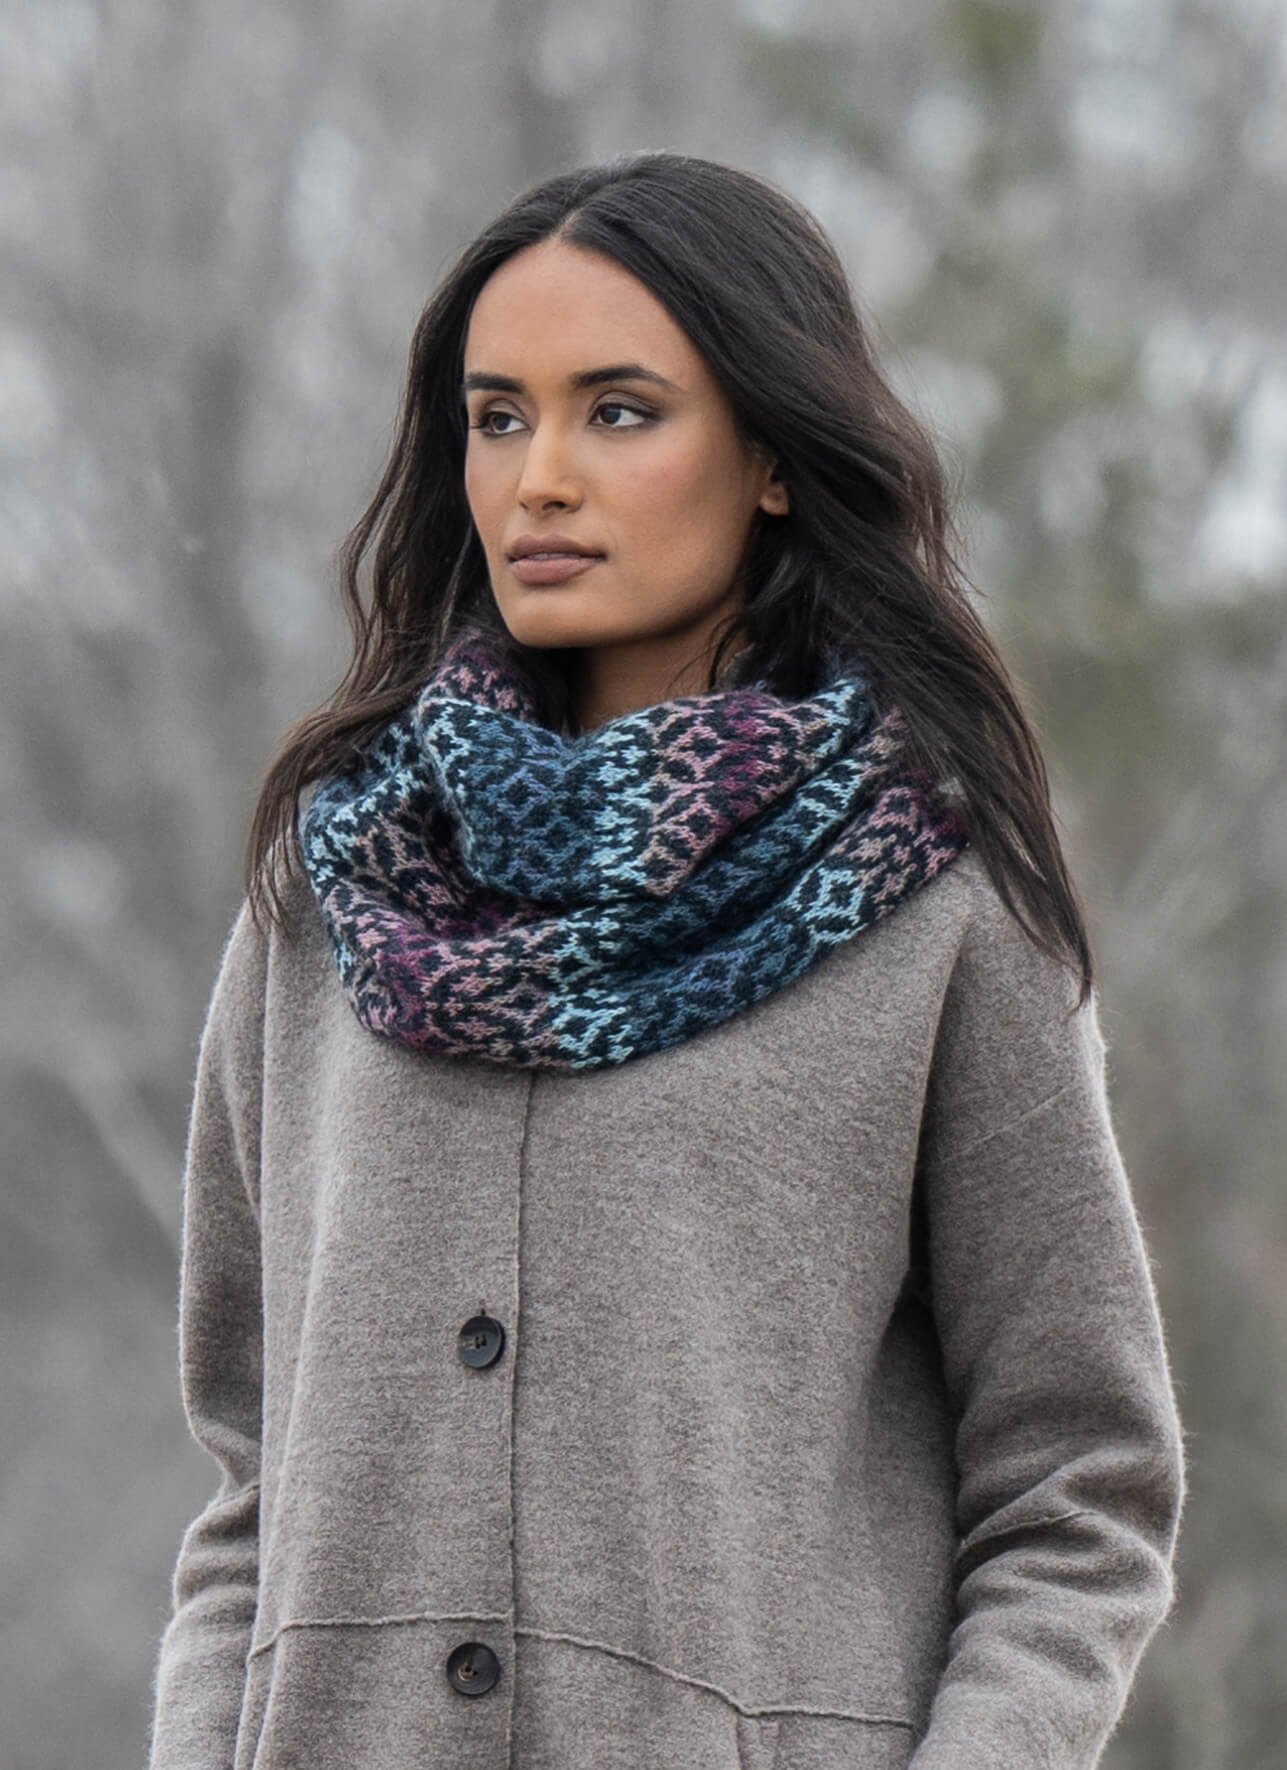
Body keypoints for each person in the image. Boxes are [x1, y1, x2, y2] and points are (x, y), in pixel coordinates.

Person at [146, 151, 1184, 1770]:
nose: (540, 478)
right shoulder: (331, 889)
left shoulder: (931, 901)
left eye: (619, 412)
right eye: (499, 418)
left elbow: (1081, 1494)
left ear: (769, 454)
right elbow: (249, 1489)